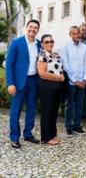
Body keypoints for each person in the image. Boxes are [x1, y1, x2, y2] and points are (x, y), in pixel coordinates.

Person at [6, 20, 42, 149]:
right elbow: (9, 63)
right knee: (15, 111)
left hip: (34, 81)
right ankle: (14, 137)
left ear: (38, 30)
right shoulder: (16, 43)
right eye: (31, 27)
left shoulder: (39, 44)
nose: (33, 29)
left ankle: (28, 134)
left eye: (35, 28)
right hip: (19, 82)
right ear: (26, 28)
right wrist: (10, 83)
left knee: (31, 109)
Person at [61, 26, 86, 137]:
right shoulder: (66, 47)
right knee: (69, 105)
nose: (76, 35)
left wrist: (85, 78)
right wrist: (74, 80)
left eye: (78, 33)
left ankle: (77, 125)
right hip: (71, 82)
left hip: (82, 81)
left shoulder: (84, 47)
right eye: (74, 33)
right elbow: (65, 65)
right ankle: (68, 126)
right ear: (70, 34)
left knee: (79, 104)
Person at [37, 35, 65, 145]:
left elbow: (60, 69)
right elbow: (42, 73)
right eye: (47, 42)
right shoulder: (42, 55)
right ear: (42, 44)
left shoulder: (56, 55)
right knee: (47, 112)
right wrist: (58, 77)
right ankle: (46, 137)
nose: (49, 43)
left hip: (57, 86)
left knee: (54, 112)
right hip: (46, 87)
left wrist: (61, 77)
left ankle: (53, 134)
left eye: (51, 41)